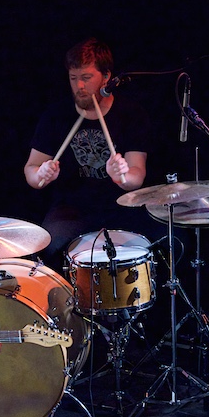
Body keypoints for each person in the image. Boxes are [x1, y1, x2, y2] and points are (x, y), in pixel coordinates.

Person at [23, 37, 153, 268]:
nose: (79, 86)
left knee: (162, 242)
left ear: (106, 77)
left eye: (86, 78)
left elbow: (136, 177)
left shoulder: (131, 114)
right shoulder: (56, 116)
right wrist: (41, 174)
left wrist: (122, 175)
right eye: (74, 78)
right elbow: (31, 171)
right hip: (72, 208)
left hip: (122, 207)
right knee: (48, 248)